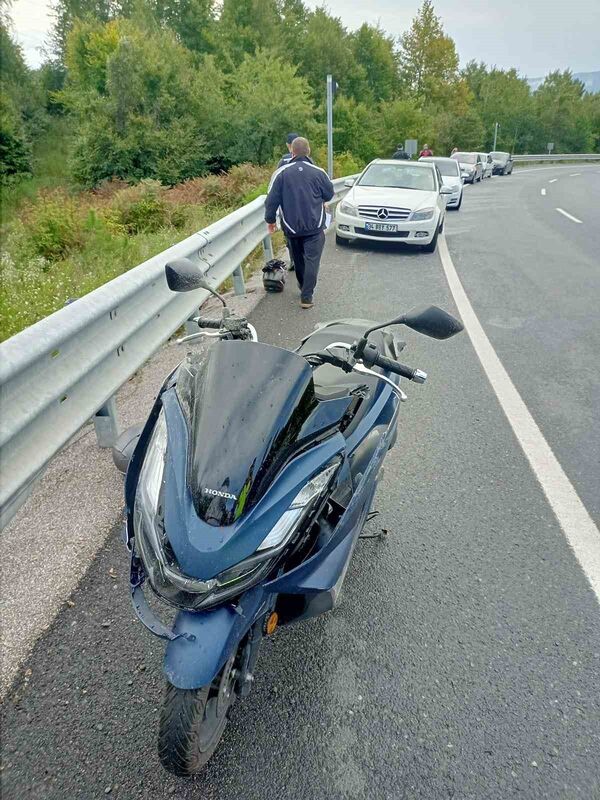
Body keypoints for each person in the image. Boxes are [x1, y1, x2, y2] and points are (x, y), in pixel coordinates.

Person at [265, 137, 334, 309]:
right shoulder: (319, 172)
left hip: (291, 227)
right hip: (314, 227)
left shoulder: (281, 173)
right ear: (308, 151)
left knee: (298, 260)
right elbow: (329, 194)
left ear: (292, 152)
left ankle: (304, 286)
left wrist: (271, 220)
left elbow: (272, 200)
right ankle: (306, 296)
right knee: (312, 260)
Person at [275, 132, 300, 271]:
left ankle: (293, 260)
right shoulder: (307, 159)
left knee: (288, 232)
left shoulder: (283, 161)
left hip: (287, 205)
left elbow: (276, 181)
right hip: (304, 203)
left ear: (288, 145)